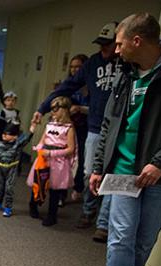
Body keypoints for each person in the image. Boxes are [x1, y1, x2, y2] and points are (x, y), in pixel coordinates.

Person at [89, 13, 161, 266]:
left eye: (119, 42)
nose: (116, 50)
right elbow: (110, 123)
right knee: (121, 238)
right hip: (124, 170)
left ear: (136, 41)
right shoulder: (126, 74)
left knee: (144, 240)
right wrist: (99, 166)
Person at [31, 22, 122, 240]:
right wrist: (43, 109)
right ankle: (88, 211)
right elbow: (67, 87)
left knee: (113, 176)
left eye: (108, 44)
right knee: (90, 173)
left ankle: (103, 222)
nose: (104, 49)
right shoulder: (92, 64)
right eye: (101, 44)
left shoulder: (127, 65)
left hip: (120, 130)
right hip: (95, 127)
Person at [28, 97, 77, 226]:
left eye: (56, 109)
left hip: (58, 161)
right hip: (44, 158)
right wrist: (38, 148)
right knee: (38, 182)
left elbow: (71, 149)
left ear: (64, 110)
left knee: (54, 190)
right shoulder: (49, 124)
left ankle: (52, 215)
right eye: (52, 109)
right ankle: (33, 205)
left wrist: (52, 153)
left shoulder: (69, 127)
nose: (53, 112)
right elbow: (43, 139)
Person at [0, 122, 33, 217]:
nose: (4, 135)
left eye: (8, 134)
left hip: (12, 168)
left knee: (9, 188)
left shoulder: (17, 145)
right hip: (1, 168)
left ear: (15, 136)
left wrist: (32, 128)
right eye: (4, 133)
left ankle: (8, 208)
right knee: (0, 187)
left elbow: (26, 139)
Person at [68, 54, 90, 201]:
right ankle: (60, 192)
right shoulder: (68, 85)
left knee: (81, 158)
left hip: (85, 126)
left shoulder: (91, 85)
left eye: (78, 67)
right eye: (72, 67)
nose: (75, 70)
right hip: (68, 126)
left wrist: (80, 108)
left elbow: (96, 108)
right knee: (64, 158)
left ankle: (78, 187)